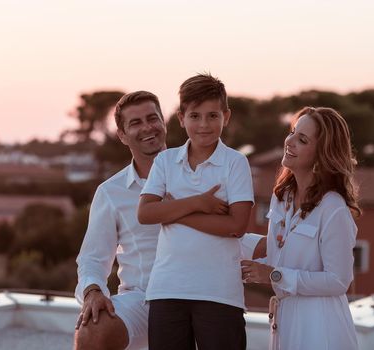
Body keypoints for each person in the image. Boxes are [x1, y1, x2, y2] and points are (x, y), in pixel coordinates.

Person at [74, 90, 263, 350]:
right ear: (122, 135)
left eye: (153, 118)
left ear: (165, 122)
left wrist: (282, 246)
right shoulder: (110, 192)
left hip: (202, 284)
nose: (147, 128)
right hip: (141, 299)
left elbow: (229, 230)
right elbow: (92, 258)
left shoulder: (206, 167)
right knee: (93, 329)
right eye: (135, 123)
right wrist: (93, 291)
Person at [138, 73, 254, 350]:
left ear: (226, 116)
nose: (204, 125)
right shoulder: (166, 161)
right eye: (195, 116)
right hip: (166, 289)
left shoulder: (235, 163)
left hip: (219, 293)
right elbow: (145, 214)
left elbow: (236, 226)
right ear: (181, 118)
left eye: (213, 116)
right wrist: (198, 203)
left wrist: (175, 210)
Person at [240, 106, 360, 350]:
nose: (290, 141)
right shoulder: (282, 196)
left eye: (302, 139)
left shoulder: (333, 207)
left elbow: (339, 280)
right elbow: (277, 246)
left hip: (320, 325)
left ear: (321, 155)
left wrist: (274, 275)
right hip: (286, 318)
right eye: (293, 132)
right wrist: (221, 238)